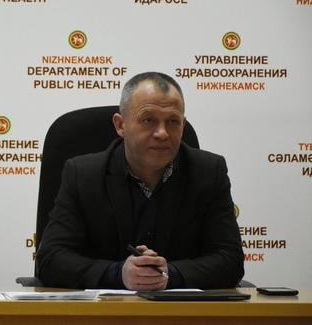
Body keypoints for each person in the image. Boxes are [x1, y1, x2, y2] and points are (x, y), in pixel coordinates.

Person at [36, 71, 244, 290]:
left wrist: (169, 274)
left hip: (181, 310)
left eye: (173, 121)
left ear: (183, 125)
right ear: (120, 125)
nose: (162, 133)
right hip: (103, 309)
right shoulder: (83, 175)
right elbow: (50, 259)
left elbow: (230, 260)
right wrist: (118, 274)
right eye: (148, 120)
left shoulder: (209, 172)